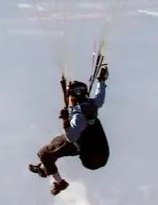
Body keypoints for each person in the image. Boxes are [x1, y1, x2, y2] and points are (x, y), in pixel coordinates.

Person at [29, 61, 109, 195]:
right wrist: (101, 80)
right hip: (98, 151)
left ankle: (60, 183)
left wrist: (65, 121)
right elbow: (100, 96)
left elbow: (71, 137)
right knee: (56, 142)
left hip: (89, 156)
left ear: (72, 97)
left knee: (44, 153)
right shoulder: (92, 104)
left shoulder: (79, 115)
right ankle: (45, 168)